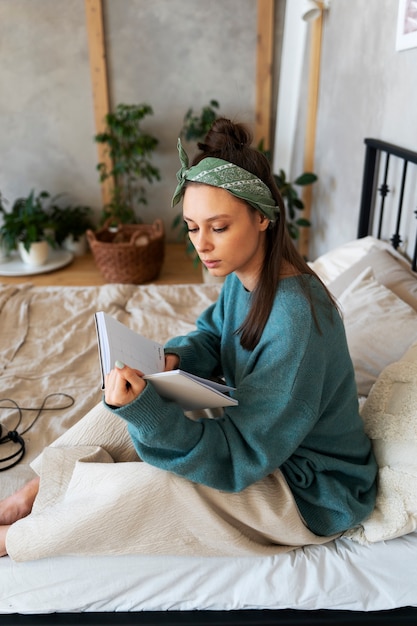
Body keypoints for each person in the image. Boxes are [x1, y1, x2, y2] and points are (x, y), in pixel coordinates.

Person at [0, 118, 377, 560]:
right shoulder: (245, 274)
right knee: (124, 405)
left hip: (310, 489)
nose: (203, 244)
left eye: (218, 227)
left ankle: (15, 540)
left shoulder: (296, 321)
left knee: (155, 483)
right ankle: (32, 493)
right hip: (264, 437)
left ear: (262, 217)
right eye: (193, 227)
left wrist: (153, 414)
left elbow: (240, 458)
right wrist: (173, 363)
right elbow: (214, 333)